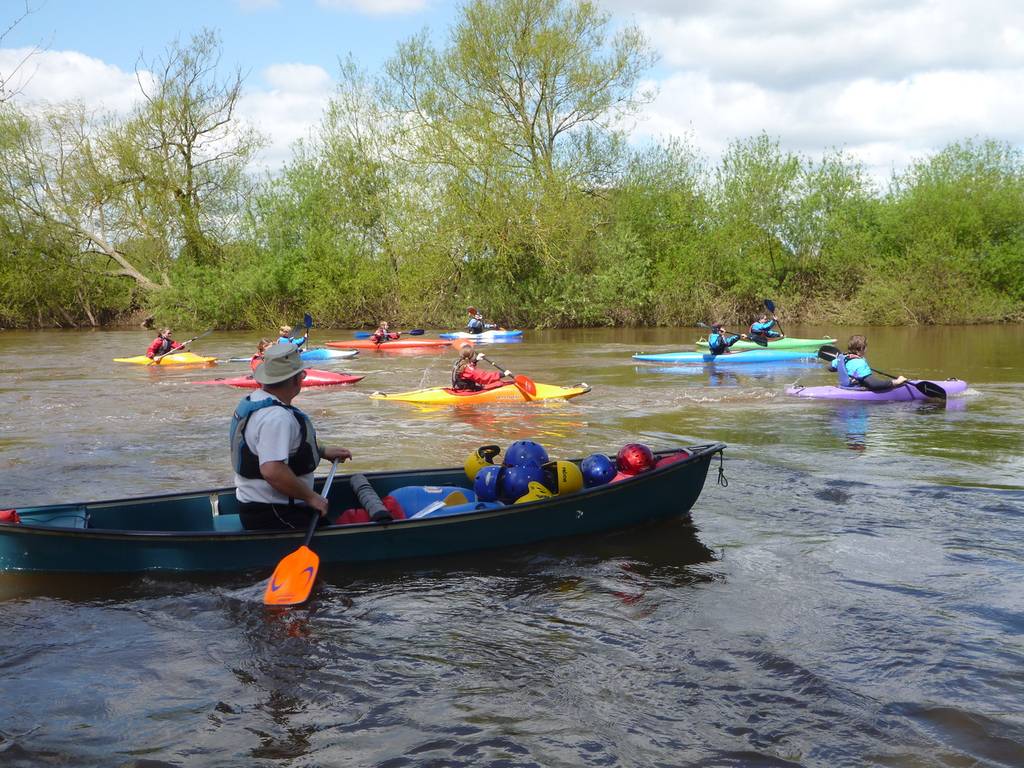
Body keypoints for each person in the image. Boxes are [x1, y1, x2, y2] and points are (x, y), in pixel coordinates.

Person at [230, 343, 352, 530]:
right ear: (296, 380)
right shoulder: (277, 417)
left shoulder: (256, 399)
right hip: (274, 513)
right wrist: (312, 497)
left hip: (262, 506)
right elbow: (272, 471)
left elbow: (264, 447)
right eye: (302, 375)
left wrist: (321, 451)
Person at [830, 334, 908, 392]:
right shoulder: (860, 363)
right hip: (855, 392)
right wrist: (896, 382)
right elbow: (874, 384)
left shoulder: (841, 358)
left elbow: (830, 368)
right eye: (866, 347)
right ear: (861, 348)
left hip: (844, 387)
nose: (867, 349)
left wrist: (842, 366)